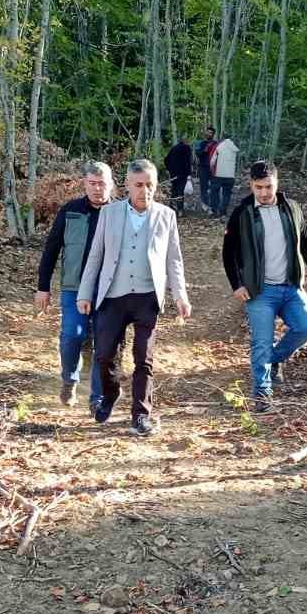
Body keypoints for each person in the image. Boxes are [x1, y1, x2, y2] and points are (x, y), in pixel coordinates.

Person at [77, 160, 193, 436]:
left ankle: (142, 414)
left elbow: (173, 260)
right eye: (139, 185)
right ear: (127, 185)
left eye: (150, 185)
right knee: (104, 355)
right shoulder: (110, 214)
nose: (145, 191)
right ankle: (110, 392)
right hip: (113, 296)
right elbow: (95, 256)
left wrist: (180, 296)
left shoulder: (166, 216)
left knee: (144, 359)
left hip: (146, 297)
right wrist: (85, 293)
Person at [221, 161, 307, 412]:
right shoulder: (242, 213)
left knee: (305, 327)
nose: (265, 193)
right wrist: (237, 284)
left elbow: (306, 242)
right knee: (261, 342)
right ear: (251, 186)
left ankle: (274, 360)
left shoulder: (291, 209)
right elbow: (228, 252)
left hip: (291, 286)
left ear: (277, 183)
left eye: (269, 186)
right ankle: (262, 394)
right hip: (259, 290)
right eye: (259, 187)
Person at [36, 161, 115, 414]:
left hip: (109, 290)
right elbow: (52, 248)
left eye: (101, 183)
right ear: (84, 184)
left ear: (111, 184)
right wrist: (43, 286)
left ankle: (97, 397)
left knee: (103, 343)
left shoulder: (119, 213)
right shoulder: (70, 211)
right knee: (73, 334)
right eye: (92, 183)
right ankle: (69, 379)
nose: (97, 188)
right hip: (74, 285)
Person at [208, 132, 240, 217]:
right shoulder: (234, 148)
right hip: (230, 176)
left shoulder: (219, 146)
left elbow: (212, 161)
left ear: (222, 137)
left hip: (218, 174)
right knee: (227, 194)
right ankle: (223, 211)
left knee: (214, 192)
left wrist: (211, 170)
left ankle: (214, 211)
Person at [164, 136, 193, 216]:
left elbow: (166, 160)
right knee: (180, 191)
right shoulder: (187, 148)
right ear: (185, 141)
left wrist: (169, 169)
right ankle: (180, 210)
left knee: (174, 190)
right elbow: (188, 162)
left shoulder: (174, 148)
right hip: (183, 173)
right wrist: (189, 174)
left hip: (174, 173)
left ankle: (171, 208)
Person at [194, 127, 217, 211]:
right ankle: (205, 204)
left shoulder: (216, 144)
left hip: (214, 168)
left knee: (214, 187)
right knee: (203, 187)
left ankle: (213, 205)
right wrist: (205, 149)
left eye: (210, 133)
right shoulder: (202, 143)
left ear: (213, 134)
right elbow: (198, 153)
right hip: (203, 167)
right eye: (207, 132)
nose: (208, 134)